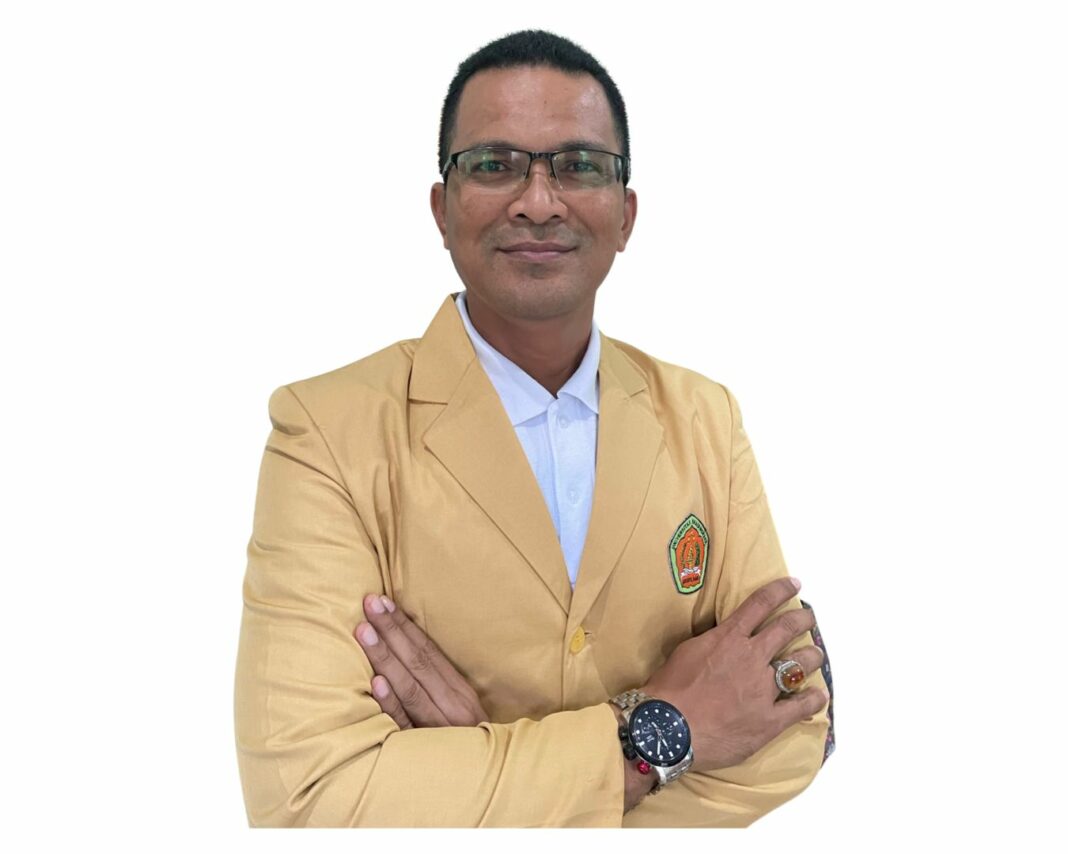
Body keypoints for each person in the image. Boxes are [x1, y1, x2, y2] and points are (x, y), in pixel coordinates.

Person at [234, 29, 832, 828]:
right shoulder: (326, 433)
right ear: (442, 209)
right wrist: (666, 732)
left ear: (626, 214)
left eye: (579, 165)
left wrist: (470, 774)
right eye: (495, 164)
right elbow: (308, 797)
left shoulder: (705, 418)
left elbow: (795, 727)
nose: (539, 201)